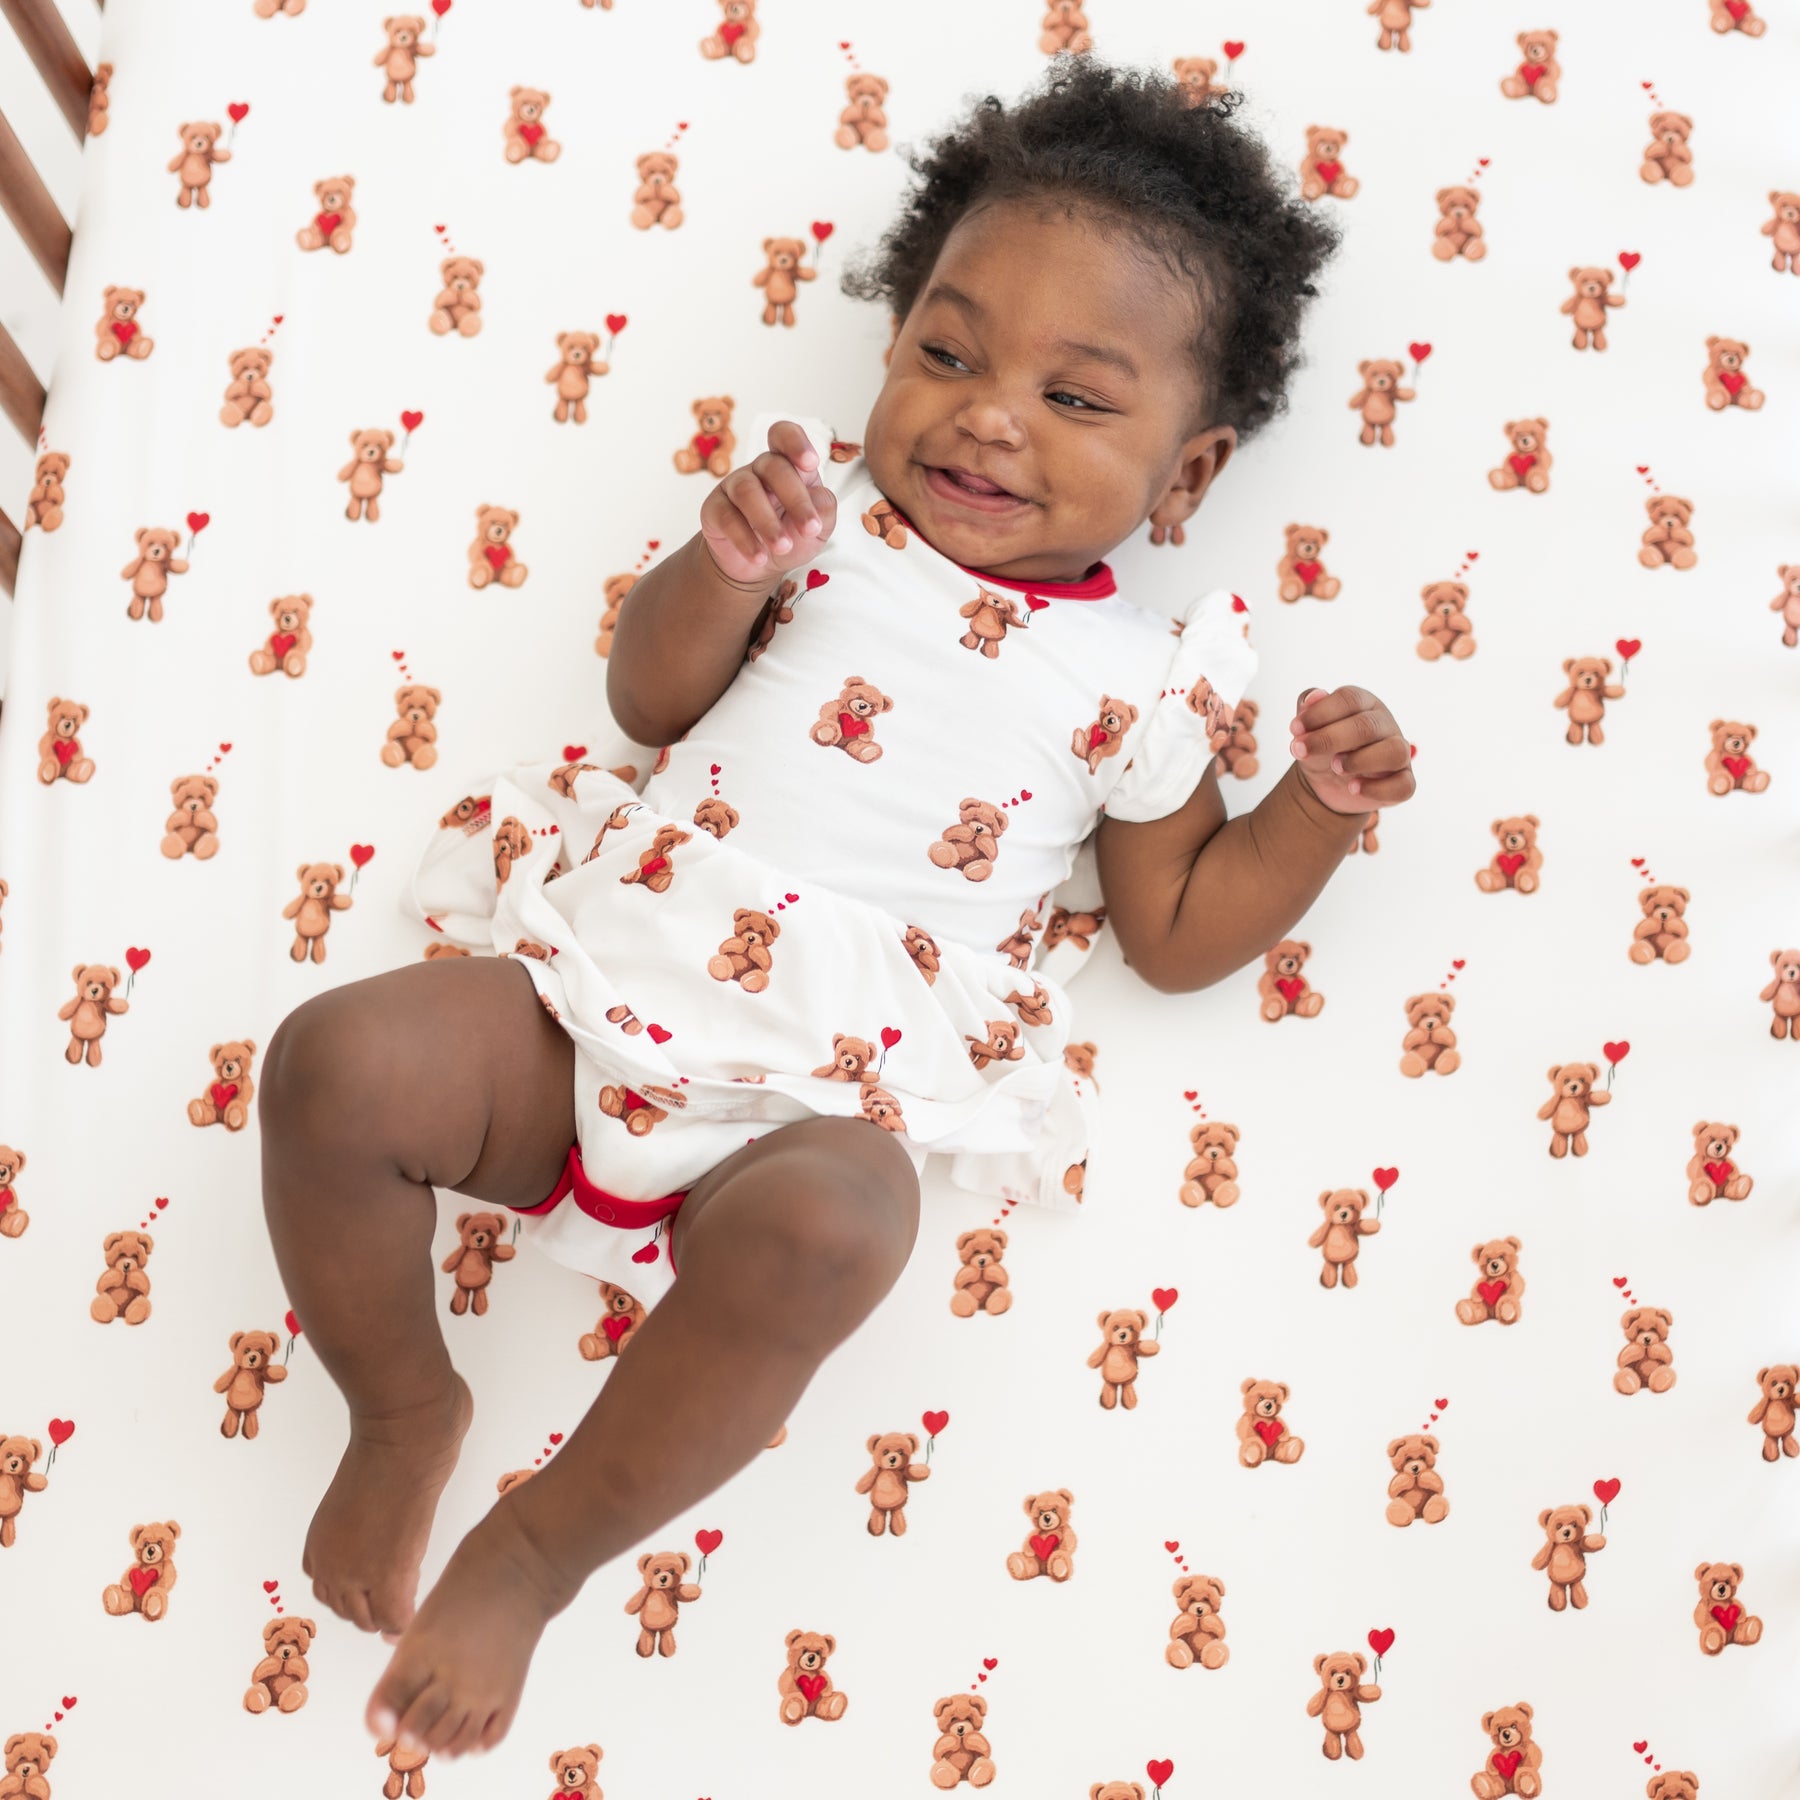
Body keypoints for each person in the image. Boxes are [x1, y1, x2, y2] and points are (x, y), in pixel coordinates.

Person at [256, 56, 1414, 1762]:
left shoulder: (1155, 672)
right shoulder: (819, 526)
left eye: (1078, 401)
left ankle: (540, 1546)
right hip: (600, 997)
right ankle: (399, 1401)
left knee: (844, 1233)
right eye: (947, 352)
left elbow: (1172, 929)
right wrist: (717, 575)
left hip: (824, 1097)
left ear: (1190, 471)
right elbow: (652, 706)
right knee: (336, 1062)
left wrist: (1314, 817)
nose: (988, 413)